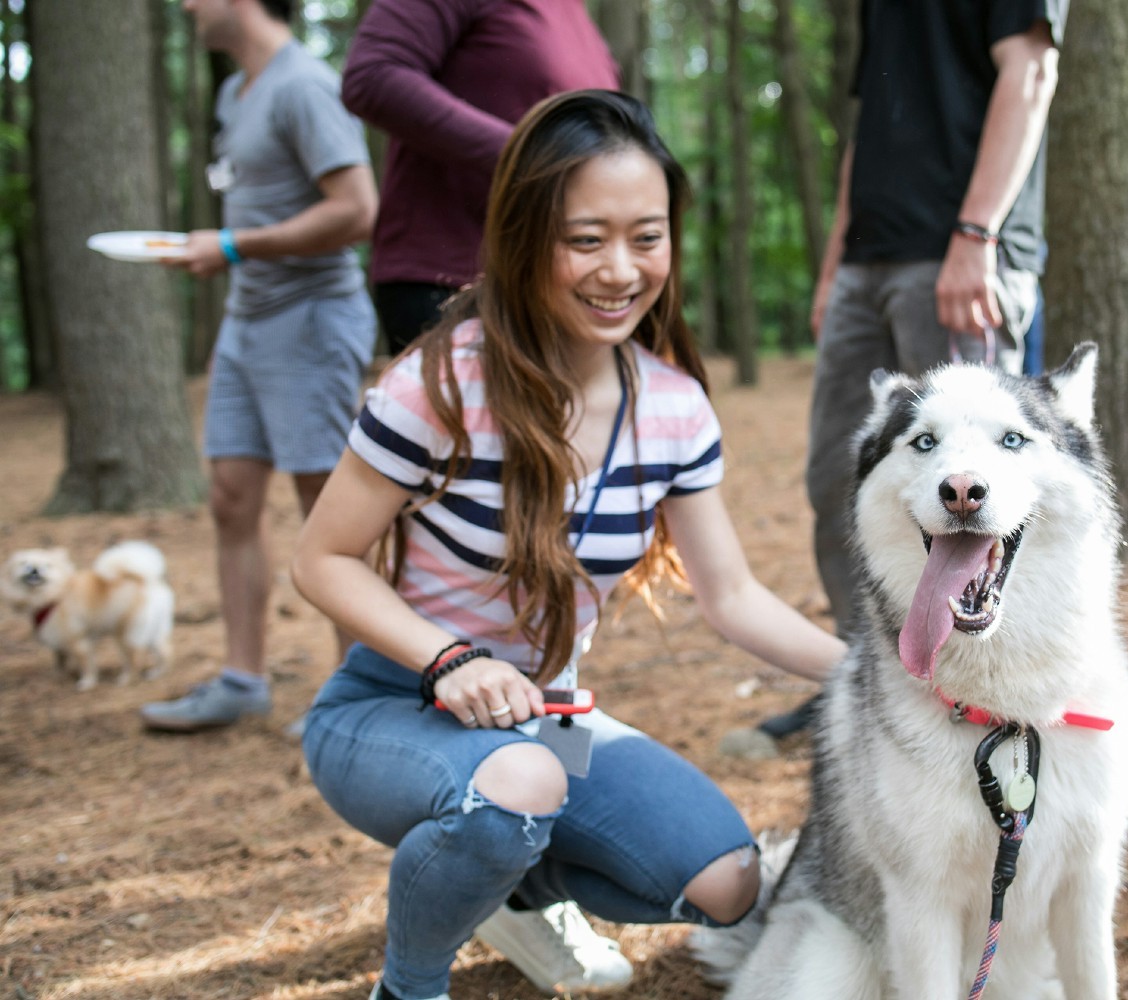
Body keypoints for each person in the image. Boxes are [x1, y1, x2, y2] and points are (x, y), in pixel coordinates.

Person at [291, 90, 846, 1000]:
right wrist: (448, 658)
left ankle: (500, 882)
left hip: (544, 724)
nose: (620, 270)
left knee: (729, 881)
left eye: (647, 236)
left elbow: (733, 597)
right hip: (389, 706)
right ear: (524, 237)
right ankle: (411, 984)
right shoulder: (441, 382)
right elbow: (321, 560)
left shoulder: (673, 407)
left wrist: (881, 681)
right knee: (512, 787)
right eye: (585, 239)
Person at [758, 0, 1068, 741]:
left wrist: (976, 233)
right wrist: (835, 265)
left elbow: (1031, 69)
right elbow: (868, 132)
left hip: (961, 254)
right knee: (841, 481)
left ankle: (981, 696)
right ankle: (867, 682)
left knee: (972, 493)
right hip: (868, 262)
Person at [142, 0, 378, 732]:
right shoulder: (233, 90)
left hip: (312, 321)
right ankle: (243, 679)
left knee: (329, 509)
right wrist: (232, 291)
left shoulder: (303, 85)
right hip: (249, 325)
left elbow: (357, 209)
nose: (185, 4)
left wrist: (237, 245)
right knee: (231, 497)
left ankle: (361, 699)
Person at [341, 0, 619, 356]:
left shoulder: (574, 13)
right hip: (455, 284)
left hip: (556, 285)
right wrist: (527, 155)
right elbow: (373, 74)